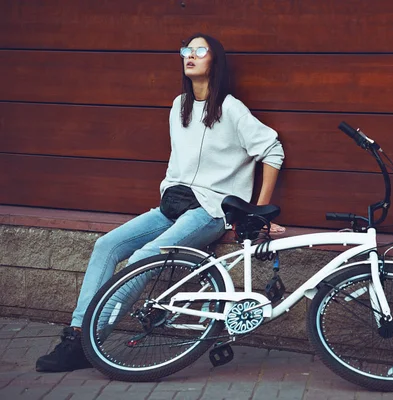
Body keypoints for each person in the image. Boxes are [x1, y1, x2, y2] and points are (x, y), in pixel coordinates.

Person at [36, 33, 285, 372]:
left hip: (208, 211)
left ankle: (88, 342)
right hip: (172, 206)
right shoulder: (178, 106)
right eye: (187, 50)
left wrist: (256, 211)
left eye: (200, 50)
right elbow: (177, 158)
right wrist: (169, 186)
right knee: (106, 245)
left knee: (144, 257)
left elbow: (272, 149)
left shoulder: (230, 109)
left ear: (216, 61)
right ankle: (77, 332)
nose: (190, 55)